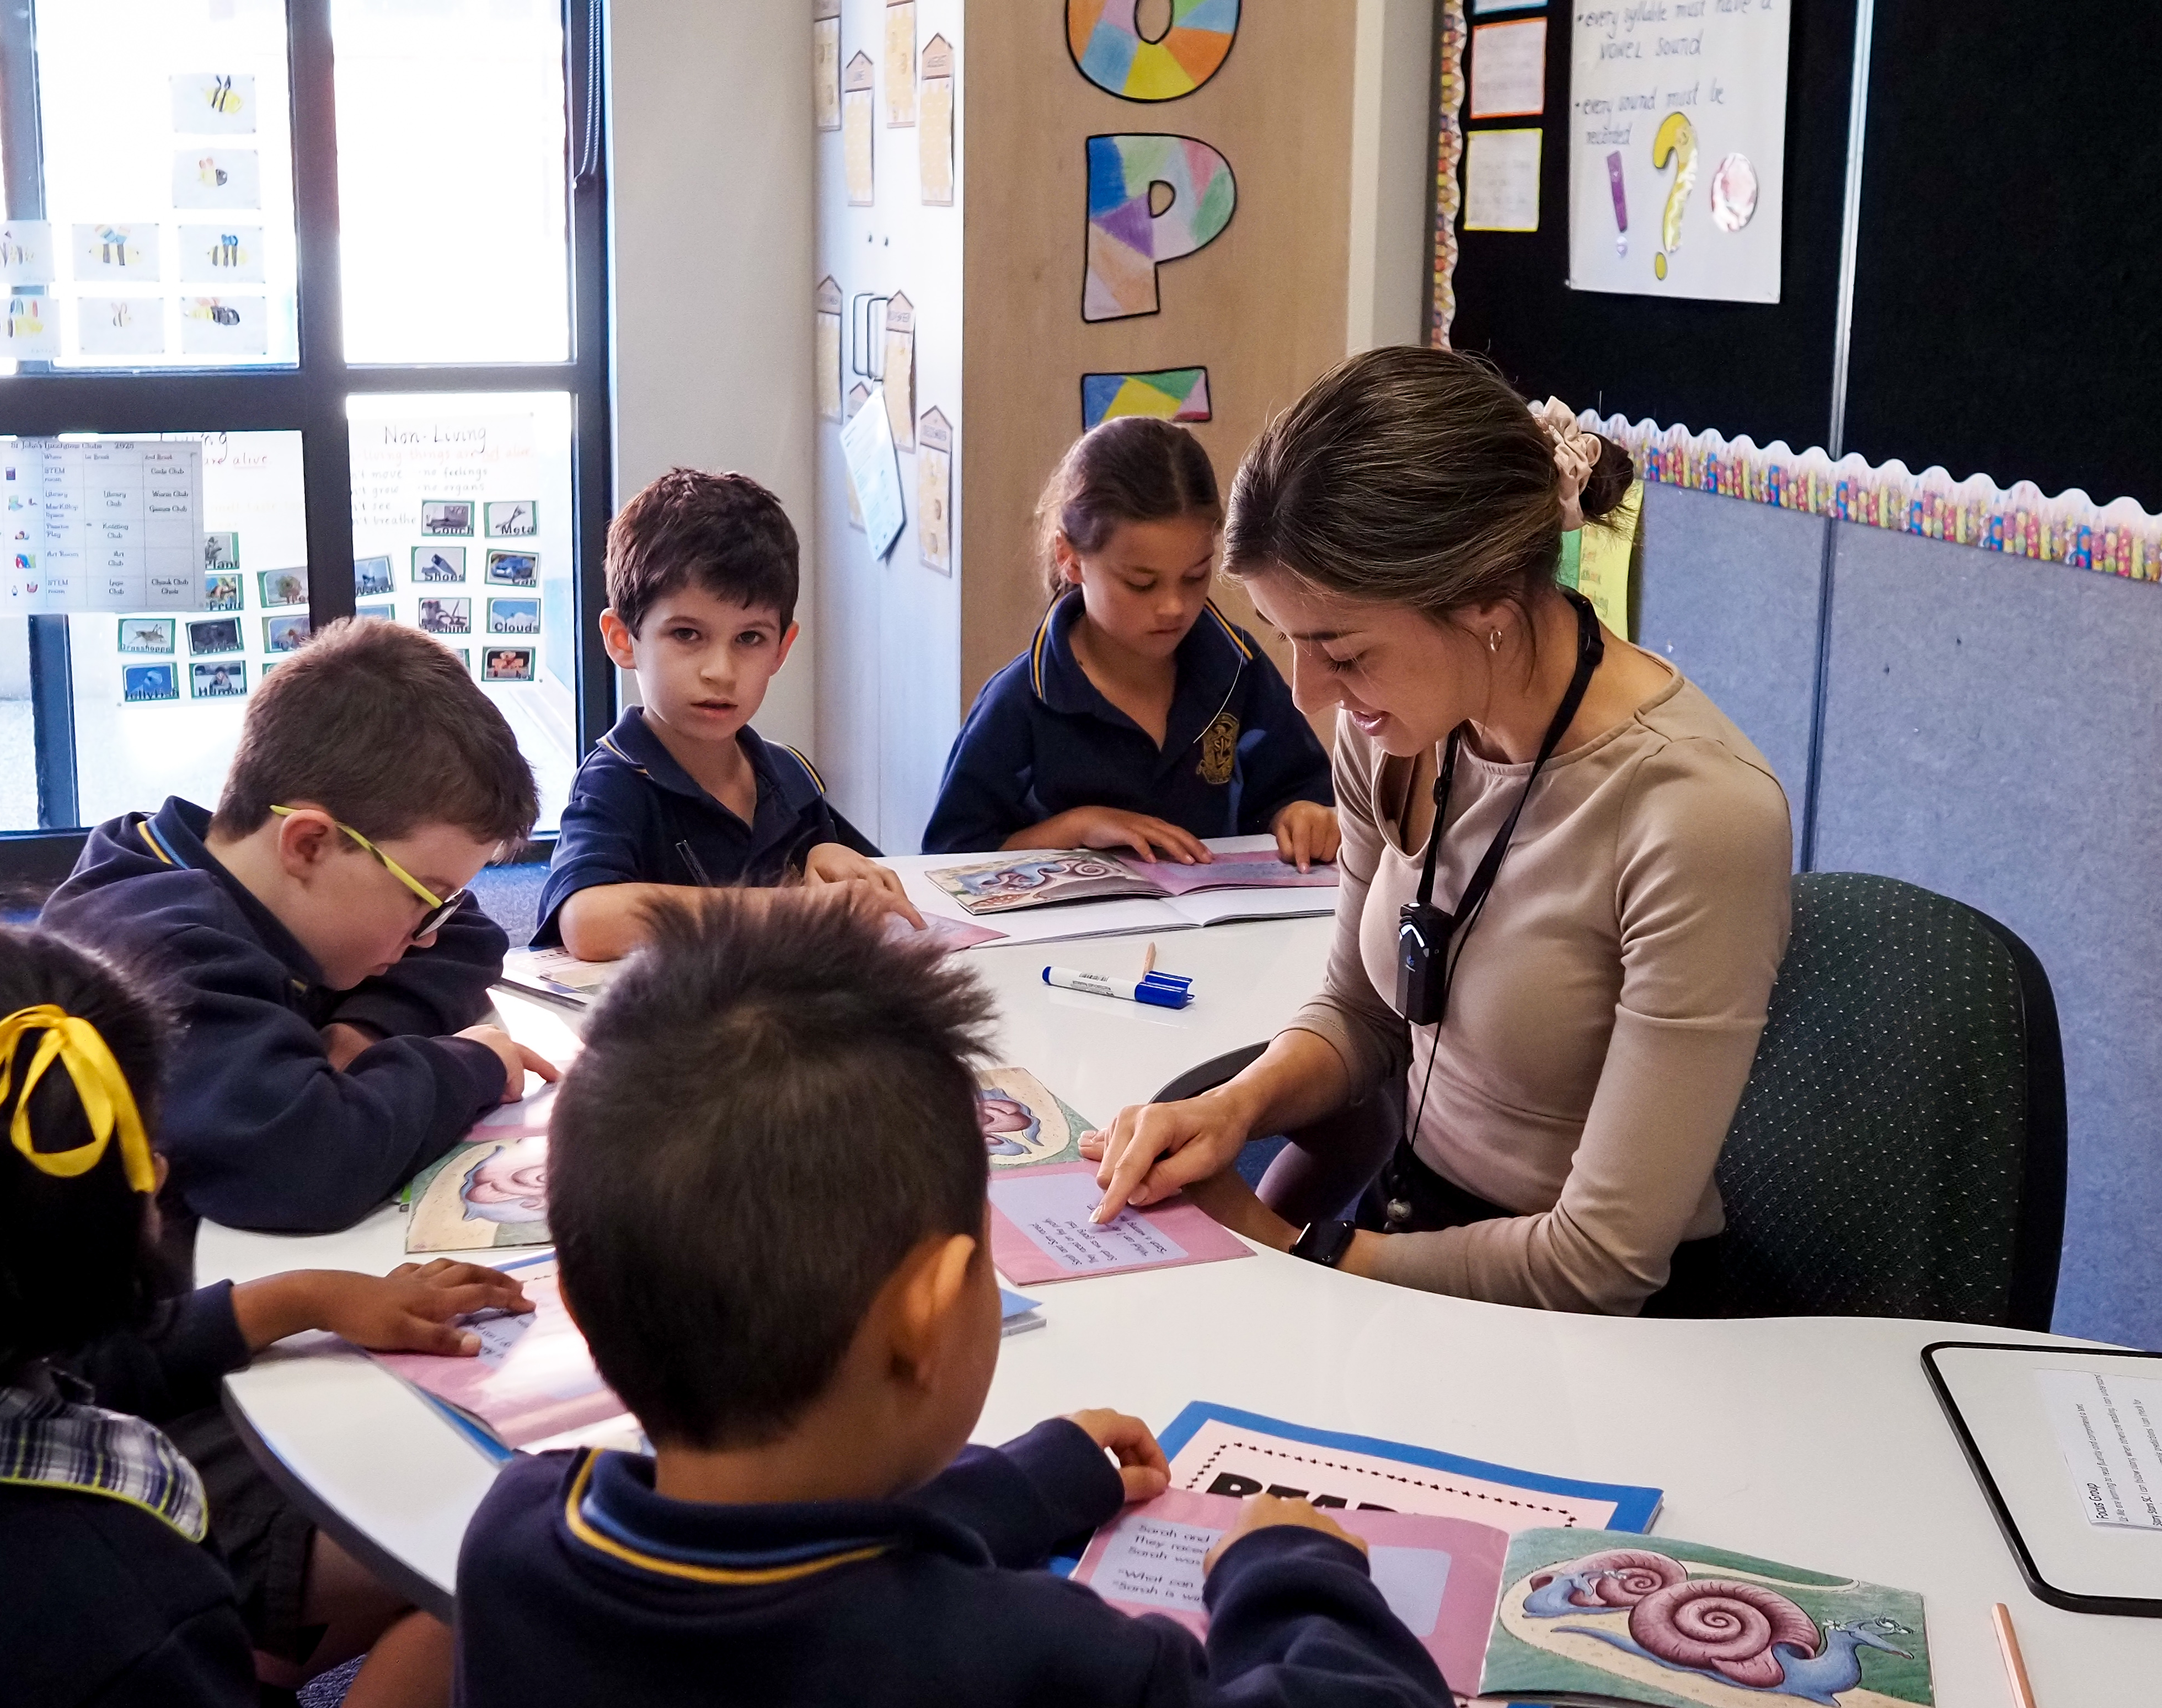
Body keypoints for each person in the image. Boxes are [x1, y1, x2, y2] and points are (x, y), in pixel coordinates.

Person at [457, 892, 1453, 1707]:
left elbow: (793, 1539)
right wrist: (1292, 1570)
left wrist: (1017, 1490)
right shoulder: (1031, 1658)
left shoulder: (514, 1537)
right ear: (929, 1317)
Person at [1085, 348, 1793, 1317]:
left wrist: (1289, 1245)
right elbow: (1364, 1016)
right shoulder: (1398, 730)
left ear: (1488, 611)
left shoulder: (1696, 813)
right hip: (1400, 1240)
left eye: (1342, 652)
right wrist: (1229, 1108)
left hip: (1590, 1330)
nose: (1308, 694)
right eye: (1284, 638)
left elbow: (1600, 1264)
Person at [0, 922, 534, 1708]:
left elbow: (90, 1359)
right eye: (143, 1147)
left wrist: (302, 1298)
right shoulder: (126, 1614)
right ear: (91, 1228)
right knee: (495, 1609)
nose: (161, 1168)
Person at [42, 617, 558, 1235]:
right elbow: (305, 1166)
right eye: (426, 897)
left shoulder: (239, 875)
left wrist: (363, 1028)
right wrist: (467, 1063)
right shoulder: (159, 953)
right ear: (310, 844)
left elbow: (468, 934)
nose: (428, 932)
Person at [532, 469, 923, 960]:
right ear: (621, 639)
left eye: (749, 638)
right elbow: (588, 921)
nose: (720, 671)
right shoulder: (616, 781)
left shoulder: (787, 774)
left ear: (782, 649)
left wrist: (827, 859)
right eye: (687, 634)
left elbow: (833, 886)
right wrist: (788, 907)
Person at [923, 417, 1339, 867]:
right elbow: (948, 861)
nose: (1174, 607)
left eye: (1196, 576)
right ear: (1071, 559)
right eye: (1142, 584)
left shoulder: (1237, 668)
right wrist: (1076, 828)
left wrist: (1303, 815)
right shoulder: (1020, 702)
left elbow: (1300, 792)